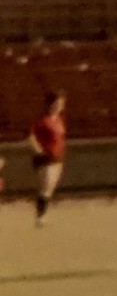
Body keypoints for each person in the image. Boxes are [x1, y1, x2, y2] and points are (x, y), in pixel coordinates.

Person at [28, 89, 67, 227]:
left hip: (58, 157)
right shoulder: (42, 120)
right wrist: (38, 150)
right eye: (57, 103)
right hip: (46, 157)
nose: (59, 106)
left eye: (61, 104)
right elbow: (31, 136)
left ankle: (42, 213)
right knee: (46, 185)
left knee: (49, 190)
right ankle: (40, 217)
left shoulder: (59, 120)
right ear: (50, 104)